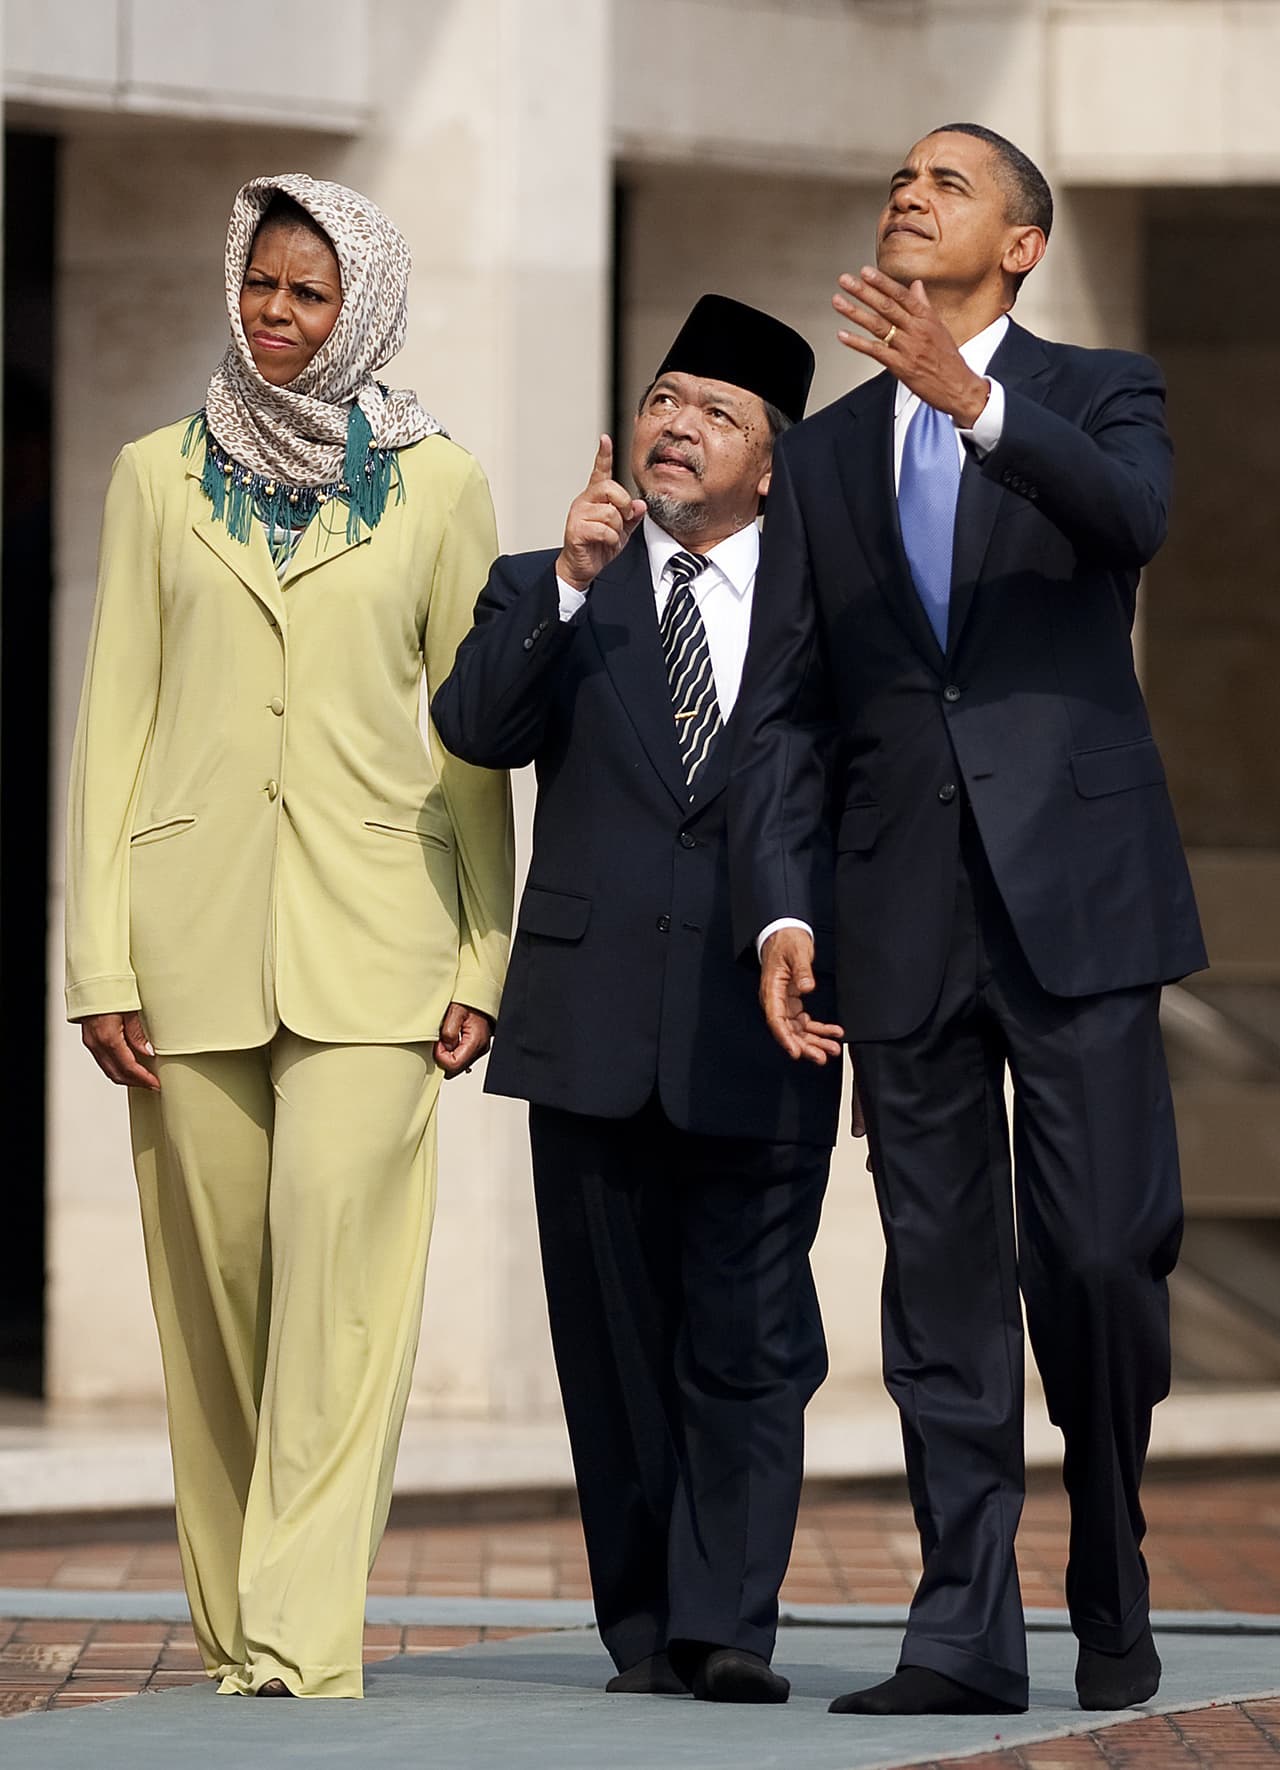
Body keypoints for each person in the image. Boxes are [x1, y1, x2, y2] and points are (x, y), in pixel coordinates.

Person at [730, 125, 1206, 1718]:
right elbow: (787, 706)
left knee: (1101, 1254)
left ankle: (1112, 1556)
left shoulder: (1101, 391)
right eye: (902, 178)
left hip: (1083, 901)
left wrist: (974, 403)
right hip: (900, 916)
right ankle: (962, 1632)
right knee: (937, 1279)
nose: (909, 193)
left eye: (949, 181)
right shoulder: (820, 455)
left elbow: (1130, 519)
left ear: (1022, 245)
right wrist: (784, 908)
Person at [65, 172, 513, 1699]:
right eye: (261, 284)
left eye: (309, 293)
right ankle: (233, 1618)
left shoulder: (441, 486)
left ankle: (300, 1636)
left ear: (361, 307)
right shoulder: (154, 475)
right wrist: (100, 956)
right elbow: (112, 726)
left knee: (340, 1290)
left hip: (381, 940)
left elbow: (471, 741)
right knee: (220, 1301)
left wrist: (485, 951)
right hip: (185, 942)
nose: (276, 314)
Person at [432, 297, 839, 1705]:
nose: (678, 425)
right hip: (591, 1018)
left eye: (718, 412)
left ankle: (730, 1621)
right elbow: (474, 727)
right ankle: (647, 1619)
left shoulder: (825, 606)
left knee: (751, 1331)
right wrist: (569, 582)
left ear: (771, 467)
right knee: (611, 1342)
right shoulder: (551, 581)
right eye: (665, 398)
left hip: (764, 1018)